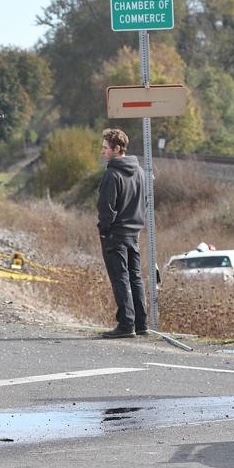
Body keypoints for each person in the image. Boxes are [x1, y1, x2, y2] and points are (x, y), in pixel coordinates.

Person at [97, 128, 147, 338]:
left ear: (117, 149)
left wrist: (104, 230)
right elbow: (144, 202)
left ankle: (126, 325)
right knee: (135, 278)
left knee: (120, 279)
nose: (102, 152)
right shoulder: (141, 171)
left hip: (115, 234)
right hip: (134, 233)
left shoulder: (112, 173)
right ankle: (141, 323)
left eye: (105, 148)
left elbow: (106, 208)